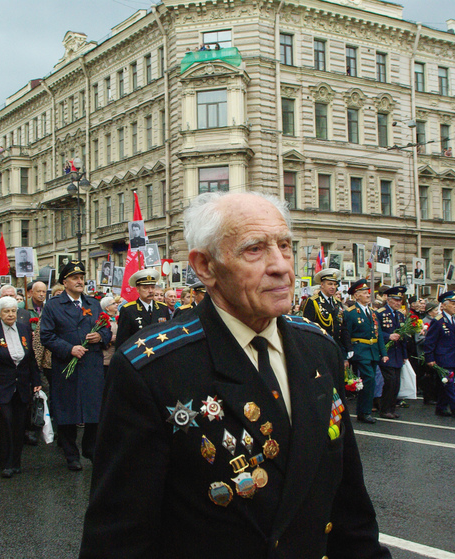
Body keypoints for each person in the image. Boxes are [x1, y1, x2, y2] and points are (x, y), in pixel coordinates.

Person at [80, 192, 390, 558]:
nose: (281, 266)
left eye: (285, 246)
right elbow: (119, 538)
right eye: (255, 249)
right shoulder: (153, 369)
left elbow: (349, 506)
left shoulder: (318, 348)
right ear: (205, 267)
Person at [40, 261, 112, 471]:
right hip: (66, 366)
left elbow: (106, 329)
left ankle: (90, 448)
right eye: (74, 278)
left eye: (81, 277)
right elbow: (46, 335)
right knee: (67, 411)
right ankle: (71, 454)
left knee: (94, 410)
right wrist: (68, 349)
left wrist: (100, 336)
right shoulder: (53, 305)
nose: (80, 281)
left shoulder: (93, 303)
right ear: (64, 282)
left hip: (91, 365)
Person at [0, 297, 41, 478]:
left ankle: (16, 462)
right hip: (0, 386)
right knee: (5, 423)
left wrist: (36, 381)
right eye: (6, 311)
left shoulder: (23, 328)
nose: (11, 314)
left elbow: (30, 359)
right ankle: (5, 463)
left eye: (13, 311)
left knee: (19, 425)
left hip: (21, 384)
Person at [345, 279, 388, 424]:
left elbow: (379, 334)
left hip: (373, 351)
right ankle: (364, 412)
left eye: (368, 293)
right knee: (368, 378)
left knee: (370, 382)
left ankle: (365, 411)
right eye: (364, 293)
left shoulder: (372, 312)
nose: (368, 296)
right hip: (360, 351)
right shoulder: (351, 313)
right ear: (356, 296)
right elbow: (346, 334)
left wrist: (384, 353)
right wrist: (348, 352)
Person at [424, 292, 455, 417]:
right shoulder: (438, 321)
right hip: (442, 357)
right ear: (443, 306)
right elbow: (430, 341)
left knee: (447, 383)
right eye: (453, 304)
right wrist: (430, 357)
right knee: (449, 383)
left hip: (453, 356)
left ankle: (441, 407)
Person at [302, 268, 352, 361]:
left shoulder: (337, 302)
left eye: (335, 284)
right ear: (322, 285)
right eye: (330, 284)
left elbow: (343, 327)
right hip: (321, 347)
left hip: (337, 347)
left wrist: (348, 347)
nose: (333, 287)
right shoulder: (313, 301)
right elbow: (308, 327)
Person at [115, 269, 169, 348]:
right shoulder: (128, 310)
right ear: (138, 289)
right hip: (138, 355)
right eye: (145, 288)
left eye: (152, 287)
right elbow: (122, 340)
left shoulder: (162, 308)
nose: (150, 291)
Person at [376, 286, 408, 419]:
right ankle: (384, 409)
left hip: (398, 353)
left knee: (396, 384)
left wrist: (405, 355)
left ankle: (391, 408)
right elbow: (376, 332)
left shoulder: (400, 315)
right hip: (386, 353)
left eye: (400, 300)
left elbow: (403, 335)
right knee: (389, 381)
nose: (398, 303)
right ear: (389, 300)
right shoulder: (380, 313)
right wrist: (388, 337)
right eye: (395, 300)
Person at [99, 295, 120, 375]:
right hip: (106, 356)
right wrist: (108, 338)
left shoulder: (119, 316)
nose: (116, 304)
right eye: (113, 303)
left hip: (117, 354)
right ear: (107, 308)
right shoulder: (102, 319)